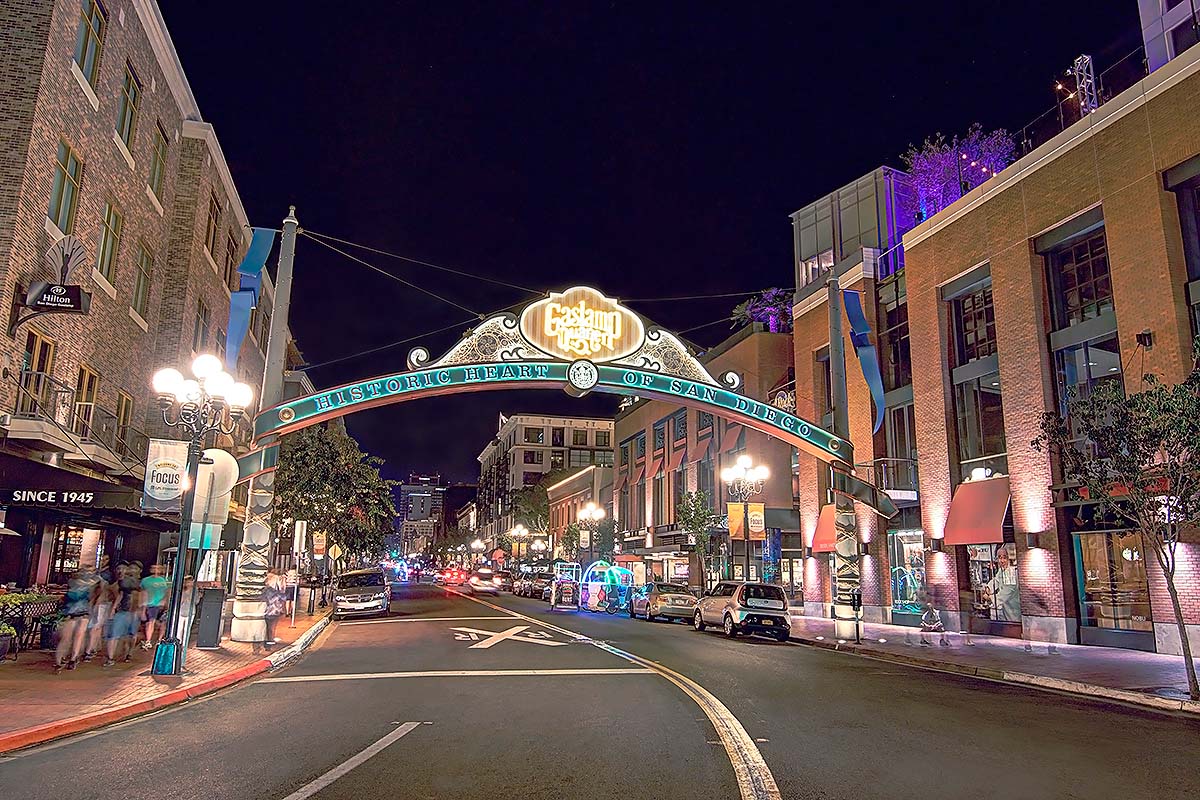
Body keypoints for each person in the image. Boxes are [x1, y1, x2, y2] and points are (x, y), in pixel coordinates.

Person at [54, 569, 96, 673]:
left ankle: (72, 658)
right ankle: (61, 660)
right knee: (67, 638)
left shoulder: (88, 586)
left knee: (78, 636)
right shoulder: (74, 584)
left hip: (81, 613)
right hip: (71, 613)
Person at [105, 563, 141, 666]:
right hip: (123, 610)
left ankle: (128, 653)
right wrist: (114, 608)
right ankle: (111, 658)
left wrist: (140, 609)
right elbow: (120, 595)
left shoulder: (139, 583)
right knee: (115, 635)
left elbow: (141, 596)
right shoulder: (121, 583)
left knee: (130, 635)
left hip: (132, 611)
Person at [85, 556, 114, 661]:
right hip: (96, 604)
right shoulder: (98, 574)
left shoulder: (106, 576)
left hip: (100, 605)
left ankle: (90, 649)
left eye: (105, 559)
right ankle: (93, 647)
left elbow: (103, 591)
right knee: (95, 627)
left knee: (95, 627)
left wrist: (96, 603)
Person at [984, 546, 1021, 623]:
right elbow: (996, 580)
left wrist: (990, 598)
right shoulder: (1002, 570)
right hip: (1007, 610)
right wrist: (989, 588)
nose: (1002, 560)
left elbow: (1005, 593)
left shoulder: (1011, 572)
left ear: (1009, 558)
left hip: (1014, 611)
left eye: (1004, 557)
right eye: (999, 558)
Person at [140, 563, 169, 650]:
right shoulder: (145, 580)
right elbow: (142, 592)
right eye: (154, 568)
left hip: (160, 604)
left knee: (162, 623)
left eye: (157, 568)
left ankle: (159, 640)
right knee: (150, 622)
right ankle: (148, 641)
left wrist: (165, 602)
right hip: (150, 604)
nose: (156, 570)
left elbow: (167, 592)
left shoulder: (164, 580)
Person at [177, 576, 198, 668]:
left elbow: (196, 601)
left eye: (191, 582)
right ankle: (178, 646)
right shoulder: (181, 591)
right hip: (181, 611)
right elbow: (179, 601)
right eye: (188, 582)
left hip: (190, 612)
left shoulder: (195, 591)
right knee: (179, 630)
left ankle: (184, 648)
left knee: (186, 631)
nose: (190, 584)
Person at [263, 569, 287, 647]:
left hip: (264, 606)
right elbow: (282, 590)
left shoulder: (265, 580)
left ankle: (266, 639)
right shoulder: (277, 579)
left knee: (265, 625)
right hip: (274, 606)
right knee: (272, 625)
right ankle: (270, 640)